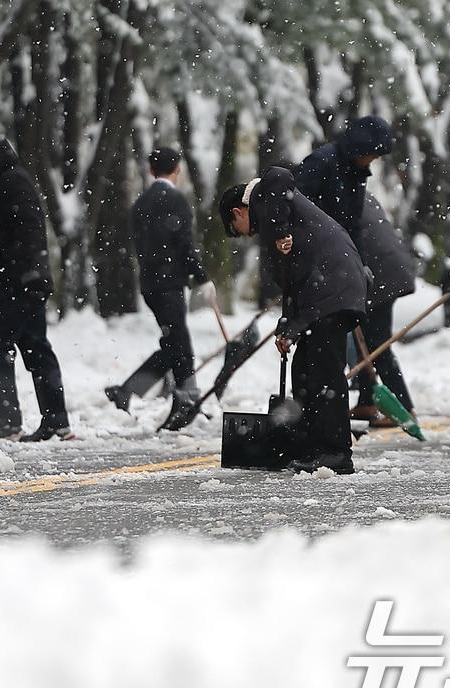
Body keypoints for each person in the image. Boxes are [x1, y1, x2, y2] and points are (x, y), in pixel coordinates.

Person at [219, 167, 369, 474]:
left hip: (334, 289)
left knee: (325, 373)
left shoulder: (268, 199)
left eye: (237, 227)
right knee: (305, 370)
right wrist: (288, 327)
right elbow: (293, 286)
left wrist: (282, 229)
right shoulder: (277, 224)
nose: (247, 234)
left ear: (238, 211)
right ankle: (313, 446)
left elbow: (278, 177)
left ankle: (337, 452)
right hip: (328, 292)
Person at [0, 128, 73, 443]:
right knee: (36, 348)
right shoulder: (14, 182)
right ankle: (56, 421)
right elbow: (7, 240)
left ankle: (7, 419)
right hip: (28, 281)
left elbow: (4, 242)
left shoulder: (11, 185)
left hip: (17, 283)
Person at [105, 147, 214, 420]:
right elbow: (186, 246)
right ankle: (187, 399)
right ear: (177, 169)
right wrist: (202, 277)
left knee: (173, 342)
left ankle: (129, 389)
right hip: (170, 284)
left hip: (150, 285)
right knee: (179, 343)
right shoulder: (177, 201)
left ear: (152, 171)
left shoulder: (140, 204)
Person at [350, 193, 418, 428]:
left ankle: (404, 408)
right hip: (388, 267)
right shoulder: (354, 191)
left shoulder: (331, 196)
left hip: (378, 273)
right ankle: (367, 401)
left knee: (377, 344)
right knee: (367, 340)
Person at [294, 116, 395, 240]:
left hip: (332, 247)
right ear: (363, 148)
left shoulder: (357, 172)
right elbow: (297, 203)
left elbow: (353, 224)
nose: (375, 158)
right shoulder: (323, 161)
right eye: (374, 154)